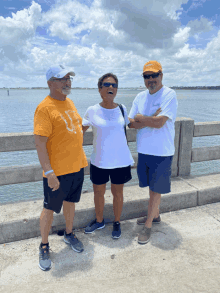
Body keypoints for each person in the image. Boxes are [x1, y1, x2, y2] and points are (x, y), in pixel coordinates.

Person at [34, 64, 88, 271]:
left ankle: (68, 233)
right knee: (49, 208)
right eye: (62, 78)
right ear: (50, 83)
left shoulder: (70, 102)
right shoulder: (44, 108)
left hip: (77, 166)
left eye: (69, 78)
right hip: (57, 172)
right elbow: (39, 143)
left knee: (71, 202)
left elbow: (74, 128)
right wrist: (49, 173)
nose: (67, 82)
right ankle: (44, 245)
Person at [128, 60, 178, 245]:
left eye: (154, 75)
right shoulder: (140, 97)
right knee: (151, 186)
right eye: (147, 76)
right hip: (144, 150)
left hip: (162, 152)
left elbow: (160, 123)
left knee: (156, 190)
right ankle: (155, 215)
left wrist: (142, 118)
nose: (151, 79)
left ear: (161, 75)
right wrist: (147, 118)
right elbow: (131, 123)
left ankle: (148, 225)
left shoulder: (169, 95)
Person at [82, 73, 134, 239]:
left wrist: (151, 117)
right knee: (98, 193)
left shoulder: (122, 108)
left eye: (114, 85)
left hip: (120, 160)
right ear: (99, 89)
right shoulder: (92, 110)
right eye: (106, 84)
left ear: (117, 90)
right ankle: (99, 220)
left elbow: (131, 123)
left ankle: (117, 222)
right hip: (99, 160)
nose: (110, 88)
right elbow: (78, 131)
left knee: (118, 193)